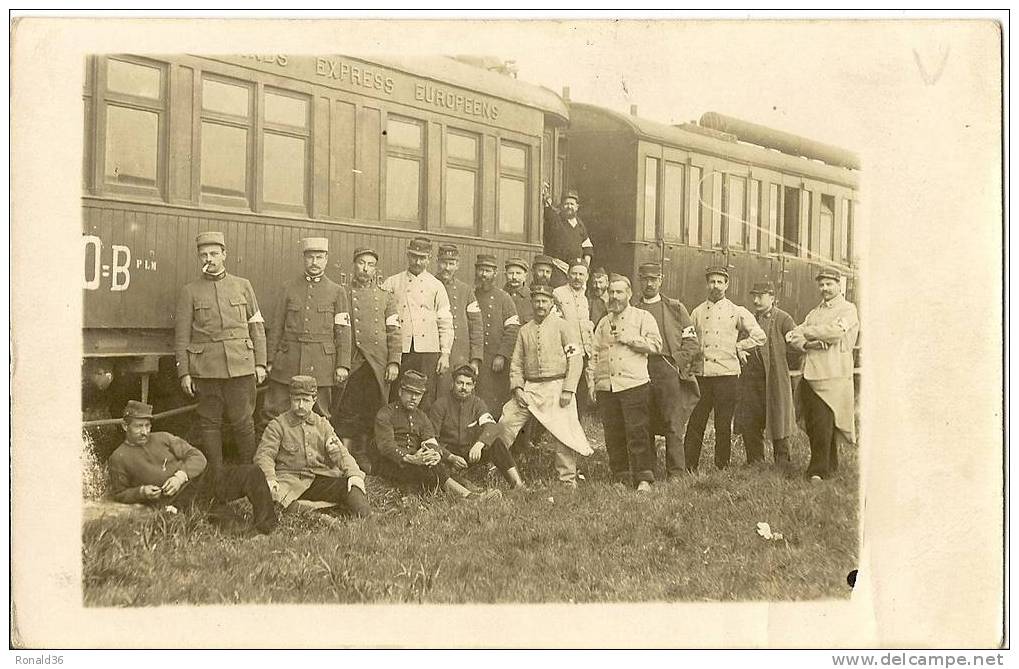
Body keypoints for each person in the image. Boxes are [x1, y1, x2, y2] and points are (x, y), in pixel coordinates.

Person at [108, 400, 276, 534]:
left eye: (147, 426)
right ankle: (243, 529)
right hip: (181, 499)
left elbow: (197, 457)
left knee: (252, 472)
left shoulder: (163, 438)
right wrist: (142, 491)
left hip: (204, 480)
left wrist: (180, 476)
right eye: (138, 426)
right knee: (233, 526)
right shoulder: (119, 457)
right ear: (125, 426)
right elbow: (120, 493)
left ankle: (266, 527)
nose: (145, 431)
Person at [174, 231, 267, 470]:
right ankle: (216, 479)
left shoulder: (243, 286)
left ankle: (250, 475)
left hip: (240, 364)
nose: (209, 259)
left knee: (243, 422)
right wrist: (184, 373)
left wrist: (259, 362)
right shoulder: (190, 291)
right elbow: (182, 335)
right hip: (205, 369)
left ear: (224, 254)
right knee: (209, 424)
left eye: (214, 253)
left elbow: (256, 325)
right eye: (204, 254)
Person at [495, 284, 593, 489]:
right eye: (536, 301)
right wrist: (518, 388)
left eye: (544, 301)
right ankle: (498, 468)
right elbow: (516, 363)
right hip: (530, 388)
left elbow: (576, 359)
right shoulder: (525, 330)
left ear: (551, 303)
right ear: (532, 303)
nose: (540, 305)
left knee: (564, 432)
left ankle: (567, 479)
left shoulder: (563, 326)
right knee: (506, 421)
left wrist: (568, 389)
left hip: (557, 386)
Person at [260, 237, 351, 432]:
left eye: (319, 257)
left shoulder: (337, 292)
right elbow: (277, 326)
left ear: (326, 259)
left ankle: (317, 460)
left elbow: (343, 331)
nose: (315, 262)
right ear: (304, 259)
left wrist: (342, 365)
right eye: (310, 257)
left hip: (321, 365)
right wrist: (269, 359)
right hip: (288, 361)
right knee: (274, 412)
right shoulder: (288, 288)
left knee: (321, 416)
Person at [684, 265, 767, 471]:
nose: (716, 286)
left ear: (727, 284)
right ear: (707, 284)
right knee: (696, 422)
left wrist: (739, 346)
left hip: (727, 375)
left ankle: (722, 466)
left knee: (723, 423)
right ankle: (688, 466)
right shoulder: (697, 311)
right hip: (702, 375)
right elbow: (687, 338)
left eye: (720, 282)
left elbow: (760, 336)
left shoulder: (736, 311)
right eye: (712, 281)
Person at [373, 370, 502, 501]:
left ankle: (465, 493)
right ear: (400, 392)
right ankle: (468, 496)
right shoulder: (386, 413)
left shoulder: (421, 416)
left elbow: (430, 439)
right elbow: (386, 446)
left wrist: (434, 453)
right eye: (410, 393)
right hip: (392, 463)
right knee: (429, 467)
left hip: (417, 462)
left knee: (432, 463)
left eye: (418, 394)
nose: (413, 398)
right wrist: (411, 458)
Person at [254, 375, 370, 517]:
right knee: (275, 497)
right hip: (290, 480)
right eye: (297, 400)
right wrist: (270, 478)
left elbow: (340, 453)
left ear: (314, 401)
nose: (301, 405)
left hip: (318, 477)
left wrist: (354, 474)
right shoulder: (277, 426)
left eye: (306, 400)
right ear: (290, 398)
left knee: (351, 485)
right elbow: (264, 456)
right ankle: (315, 515)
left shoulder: (322, 425)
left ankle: (366, 517)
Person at [785, 268, 859, 481]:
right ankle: (830, 464)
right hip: (810, 373)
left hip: (832, 375)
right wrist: (808, 343)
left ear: (838, 286)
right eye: (822, 285)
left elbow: (835, 333)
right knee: (815, 422)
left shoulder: (848, 310)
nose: (824, 288)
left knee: (824, 422)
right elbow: (792, 335)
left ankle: (818, 470)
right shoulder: (815, 312)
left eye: (829, 284)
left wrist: (807, 331)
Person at [333, 246, 402, 472]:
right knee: (347, 408)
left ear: (376, 269)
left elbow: (394, 331)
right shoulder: (342, 293)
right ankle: (344, 456)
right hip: (353, 361)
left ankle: (363, 454)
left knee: (371, 408)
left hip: (377, 364)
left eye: (370, 264)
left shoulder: (386, 297)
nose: (365, 268)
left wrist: (393, 361)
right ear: (354, 265)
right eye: (361, 263)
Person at [591, 275, 662, 491]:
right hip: (607, 386)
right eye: (612, 292)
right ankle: (620, 476)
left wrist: (631, 339)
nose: (614, 297)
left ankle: (644, 478)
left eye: (619, 292)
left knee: (637, 431)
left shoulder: (643, 317)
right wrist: (593, 382)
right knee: (613, 432)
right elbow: (594, 353)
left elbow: (656, 345)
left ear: (629, 294)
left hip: (634, 384)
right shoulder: (604, 321)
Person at [635, 262, 702, 479]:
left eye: (653, 279)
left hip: (668, 369)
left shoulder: (675, 308)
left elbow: (692, 342)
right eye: (645, 279)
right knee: (643, 422)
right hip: (640, 370)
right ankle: (648, 472)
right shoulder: (634, 309)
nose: (649, 284)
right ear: (639, 280)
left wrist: (676, 363)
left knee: (673, 424)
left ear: (661, 280)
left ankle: (676, 474)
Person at [382, 237, 453, 411]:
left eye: (422, 257)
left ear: (429, 259)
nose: (418, 261)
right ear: (408, 255)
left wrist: (445, 353)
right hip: (401, 350)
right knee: (397, 393)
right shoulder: (392, 282)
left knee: (424, 396)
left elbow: (445, 321)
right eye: (414, 256)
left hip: (427, 350)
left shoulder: (436, 286)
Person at [427, 365, 526, 490]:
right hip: (448, 454)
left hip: (470, 453)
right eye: (460, 383)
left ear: (473, 386)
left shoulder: (477, 403)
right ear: (452, 383)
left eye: (468, 384)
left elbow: (492, 427)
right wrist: (450, 457)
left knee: (496, 442)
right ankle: (468, 489)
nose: (464, 388)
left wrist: (479, 444)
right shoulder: (440, 405)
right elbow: (431, 439)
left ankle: (518, 484)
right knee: (435, 461)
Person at [735, 281, 800, 467]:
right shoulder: (749, 319)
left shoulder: (783, 318)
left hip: (774, 379)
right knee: (750, 419)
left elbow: (795, 340)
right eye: (753, 296)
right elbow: (739, 341)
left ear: (772, 298)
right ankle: (755, 462)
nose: (756, 300)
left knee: (778, 417)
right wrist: (740, 351)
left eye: (760, 296)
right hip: (750, 378)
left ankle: (782, 462)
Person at [473, 254, 520, 418]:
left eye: (487, 271)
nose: (483, 275)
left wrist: (502, 355)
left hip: (496, 360)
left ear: (495, 274)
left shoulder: (504, 298)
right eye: (480, 270)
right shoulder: (472, 295)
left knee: (494, 400)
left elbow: (513, 329)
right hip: (477, 358)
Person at [435, 244, 484, 391]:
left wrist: (474, 360)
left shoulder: (466, 291)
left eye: (451, 263)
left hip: (459, 355)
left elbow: (476, 326)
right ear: (437, 262)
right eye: (444, 262)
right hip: (433, 350)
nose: (447, 268)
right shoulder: (429, 285)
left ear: (457, 265)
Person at [553, 260, 596, 413]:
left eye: (581, 274)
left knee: (581, 391)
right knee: (563, 389)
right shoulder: (558, 293)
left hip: (583, 350)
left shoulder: (586, 297)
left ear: (587, 277)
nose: (577, 277)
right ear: (568, 274)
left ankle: (577, 428)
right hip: (566, 350)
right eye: (574, 273)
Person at [542, 186, 594, 287]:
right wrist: (546, 196)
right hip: (559, 268)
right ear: (561, 206)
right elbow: (548, 208)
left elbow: (588, 247)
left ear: (577, 207)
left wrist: (585, 267)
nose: (569, 206)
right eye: (566, 204)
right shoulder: (556, 220)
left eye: (572, 204)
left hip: (576, 270)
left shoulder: (580, 225)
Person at [503, 257, 534, 325]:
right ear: (505, 275)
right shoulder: (499, 296)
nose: (514, 277)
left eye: (518, 273)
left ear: (525, 276)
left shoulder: (533, 298)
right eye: (511, 273)